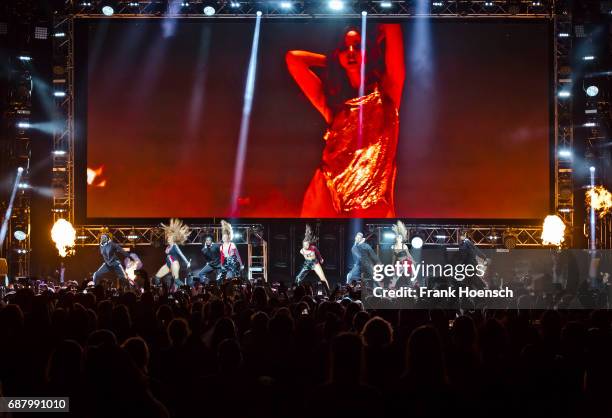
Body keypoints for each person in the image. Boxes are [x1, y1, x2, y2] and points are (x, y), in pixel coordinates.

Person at [286, 23, 405, 218]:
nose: (350, 52)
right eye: (344, 48)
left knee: (372, 246)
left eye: (357, 47)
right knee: (314, 245)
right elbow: (293, 59)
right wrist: (335, 60)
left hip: (372, 202)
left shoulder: (388, 93)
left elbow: (393, 27)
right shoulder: (333, 105)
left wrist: (357, 55)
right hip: (327, 194)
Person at [153, 219, 190, 292]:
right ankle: (157, 292)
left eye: (170, 238)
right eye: (168, 237)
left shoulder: (175, 246)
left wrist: (187, 262)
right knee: (156, 277)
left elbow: (181, 254)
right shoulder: (168, 247)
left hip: (174, 264)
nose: (168, 239)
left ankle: (187, 290)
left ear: (173, 239)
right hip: (168, 264)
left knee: (176, 280)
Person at [295, 224, 331, 294]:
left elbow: (318, 253)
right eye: (304, 245)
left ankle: (328, 292)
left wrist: (321, 259)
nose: (306, 246)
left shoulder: (313, 248)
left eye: (307, 245)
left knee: (323, 278)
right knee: (298, 278)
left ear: (309, 244)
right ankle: (298, 292)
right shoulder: (301, 251)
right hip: (307, 264)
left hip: (315, 263)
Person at [390, 220, 414, 288]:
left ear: (402, 238)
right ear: (396, 238)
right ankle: (392, 289)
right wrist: (392, 264)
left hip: (406, 262)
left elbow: (408, 254)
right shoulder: (394, 247)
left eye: (400, 237)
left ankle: (412, 288)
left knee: (408, 277)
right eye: (398, 237)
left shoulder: (404, 246)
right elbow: (394, 256)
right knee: (395, 277)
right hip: (399, 263)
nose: (399, 238)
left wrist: (412, 260)